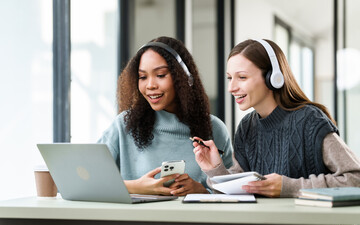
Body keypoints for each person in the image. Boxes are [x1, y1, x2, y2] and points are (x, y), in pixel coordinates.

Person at [193, 38, 360, 198]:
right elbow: (242, 190)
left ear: (273, 78)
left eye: (242, 77)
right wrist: (215, 169)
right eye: (230, 78)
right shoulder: (247, 127)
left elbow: (355, 179)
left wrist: (288, 187)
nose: (231, 88)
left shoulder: (310, 121)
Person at [98, 36, 233, 196]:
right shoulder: (124, 125)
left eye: (160, 75)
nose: (150, 85)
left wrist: (203, 191)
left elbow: (233, 192)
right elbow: (88, 181)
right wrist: (136, 187)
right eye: (142, 77)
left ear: (183, 77)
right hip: (135, 221)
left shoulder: (215, 129)